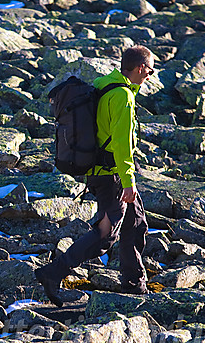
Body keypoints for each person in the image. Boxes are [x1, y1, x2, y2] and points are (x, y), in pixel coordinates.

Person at [35, 45, 156, 306]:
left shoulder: (104, 84)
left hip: (98, 170)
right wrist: (128, 182)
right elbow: (122, 145)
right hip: (111, 175)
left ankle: (135, 286)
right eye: (150, 70)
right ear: (140, 68)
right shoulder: (122, 96)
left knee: (135, 224)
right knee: (106, 233)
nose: (150, 76)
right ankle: (52, 273)